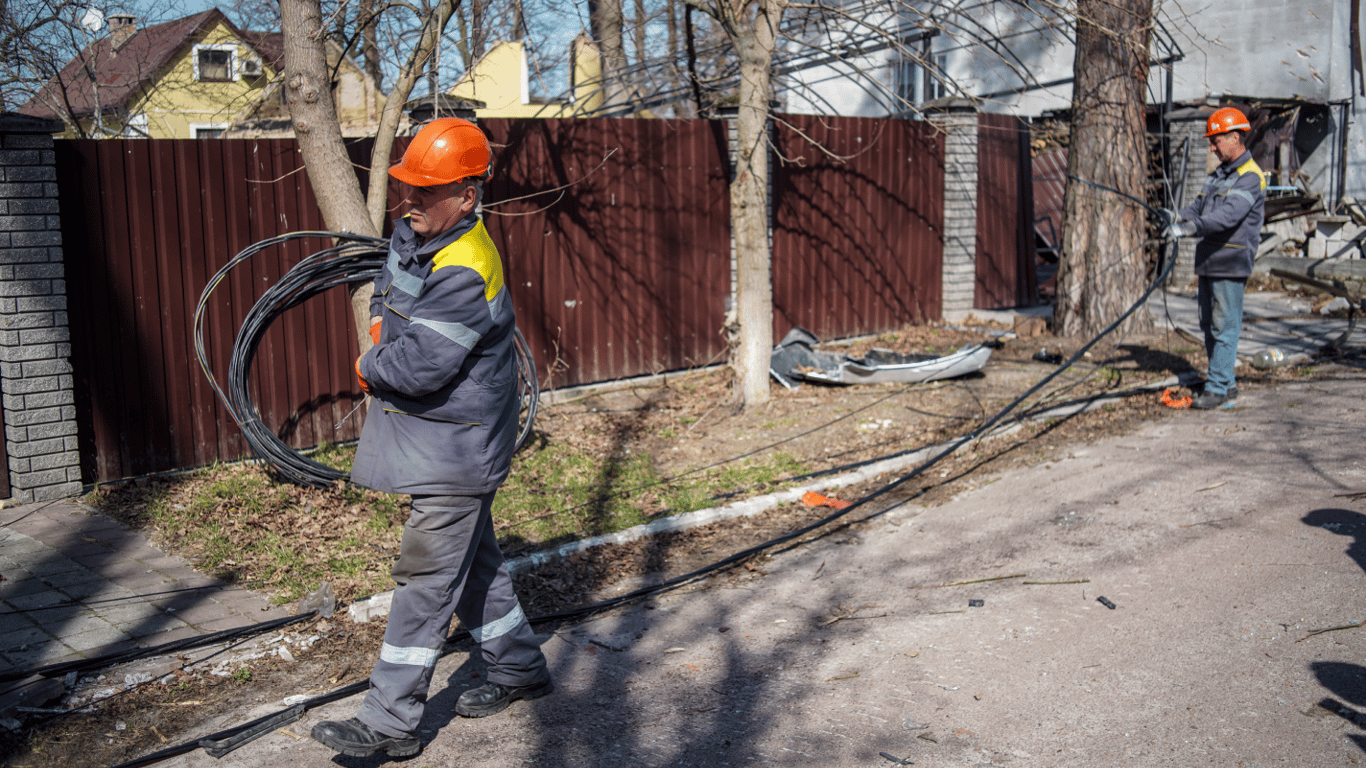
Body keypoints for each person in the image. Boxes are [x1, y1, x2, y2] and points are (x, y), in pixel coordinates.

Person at [311, 118, 552, 759]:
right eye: (407, 187)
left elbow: (420, 366)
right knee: (475, 564)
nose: (409, 200)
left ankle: (389, 723)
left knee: (424, 580)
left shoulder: (467, 267)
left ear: (466, 196)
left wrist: (369, 366)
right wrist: (379, 328)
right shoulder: (418, 235)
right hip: (441, 438)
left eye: (425, 190)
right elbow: (387, 297)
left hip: (459, 446)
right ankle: (518, 666)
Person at [1162, 106, 1267, 410]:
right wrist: (1173, 216)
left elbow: (1227, 216)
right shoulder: (1217, 176)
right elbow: (1197, 209)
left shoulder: (1251, 177)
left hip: (1231, 263)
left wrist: (1185, 230)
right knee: (1209, 324)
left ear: (1235, 137)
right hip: (1209, 261)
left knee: (1224, 326)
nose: (1212, 146)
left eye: (1216, 140)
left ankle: (1218, 387)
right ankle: (1227, 383)